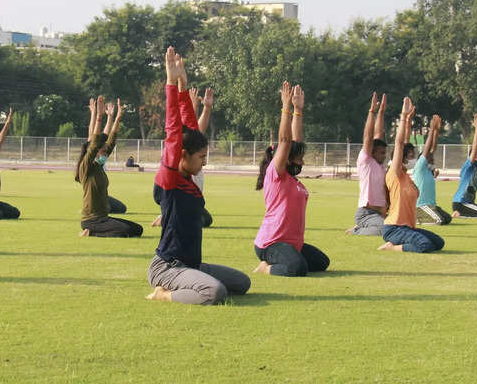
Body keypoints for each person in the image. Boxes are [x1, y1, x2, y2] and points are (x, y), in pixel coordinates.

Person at [146, 47, 250, 305]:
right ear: (182, 155)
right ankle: (164, 293)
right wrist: (170, 82)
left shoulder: (189, 178)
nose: (204, 163)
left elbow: (189, 127)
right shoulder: (170, 179)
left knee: (242, 283)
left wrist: (183, 85)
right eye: (201, 158)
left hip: (191, 265)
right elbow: (173, 129)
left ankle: (192, 278)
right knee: (215, 293)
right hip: (168, 267)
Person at [253, 81, 330, 277]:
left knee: (322, 262)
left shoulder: (292, 179)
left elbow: (295, 142)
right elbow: (286, 141)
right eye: (299, 158)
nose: (302, 162)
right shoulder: (276, 174)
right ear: (286, 159)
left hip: (292, 244)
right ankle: (266, 267)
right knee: (298, 268)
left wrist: (298, 110)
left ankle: (289, 257)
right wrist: (286, 108)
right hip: (272, 243)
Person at [378, 97, 444, 253]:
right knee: (425, 246)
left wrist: (409, 121)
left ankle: (398, 243)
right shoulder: (394, 174)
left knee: (438, 243)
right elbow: (400, 143)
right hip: (394, 228)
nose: (414, 159)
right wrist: (403, 117)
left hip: (408, 227)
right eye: (410, 156)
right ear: (400, 159)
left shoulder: (408, 177)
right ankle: (391, 247)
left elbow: (406, 142)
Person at [76, 96, 143, 237]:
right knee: (125, 232)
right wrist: (99, 117)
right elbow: (94, 144)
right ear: (93, 152)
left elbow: (110, 141)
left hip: (103, 218)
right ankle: (91, 233)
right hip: (91, 220)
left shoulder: (99, 167)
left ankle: (96, 231)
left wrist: (117, 117)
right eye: (102, 151)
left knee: (137, 229)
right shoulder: (86, 168)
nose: (105, 153)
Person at [151, 86, 215, 228]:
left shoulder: (192, 150)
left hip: (178, 188)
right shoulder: (177, 148)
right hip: (170, 188)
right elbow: (184, 123)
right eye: (202, 157)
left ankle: (168, 216)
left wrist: (205, 108)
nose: (204, 162)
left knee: (202, 217)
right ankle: (167, 217)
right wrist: (174, 84)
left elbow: (195, 131)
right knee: (197, 218)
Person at [346, 92, 388, 236]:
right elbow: (369, 136)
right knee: (384, 230)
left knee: (399, 227)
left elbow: (378, 135)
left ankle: (365, 226)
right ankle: (357, 230)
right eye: (381, 153)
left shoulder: (380, 166)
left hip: (379, 213)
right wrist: (372, 112)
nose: (384, 155)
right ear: (372, 152)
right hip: (366, 212)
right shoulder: (366, 161)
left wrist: (381, 112)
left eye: (384, 152)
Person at [83, 97, 128, 214]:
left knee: (122, 209)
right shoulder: (90, 159)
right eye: (102, 149)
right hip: (93, 197)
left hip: (103, 194)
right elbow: (93, 134)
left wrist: (112, 117)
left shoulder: (101, 156)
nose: (105, 151)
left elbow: (108, 137)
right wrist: (95, 114)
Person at [413, 115, 452, 225]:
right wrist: (431, 130)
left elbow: (432, 148)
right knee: (439, 220)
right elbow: (427, 149)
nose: (433, 158)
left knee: (447, 219)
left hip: (431, 206)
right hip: (421, 207)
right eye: (430, 157)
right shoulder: (420, 167)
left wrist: (436, 131)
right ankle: (416, 219)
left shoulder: (428, 171)